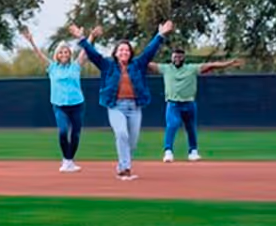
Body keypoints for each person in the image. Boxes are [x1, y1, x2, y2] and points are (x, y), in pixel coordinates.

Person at [77, 21, 173, 181]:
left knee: (132, 142)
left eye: (127, 50)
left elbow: (150, 51)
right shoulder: (107, 65)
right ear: (115, 53)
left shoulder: (138, 64)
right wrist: (82, 38)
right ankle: (125, 169)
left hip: (134, 107)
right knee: (121, 134)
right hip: (115, 106)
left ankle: (123, 165)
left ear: (130, 53)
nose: (124, 52)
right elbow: (92, 54)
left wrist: (160, 35)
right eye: (121, 50)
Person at [19, 26, 89, 172]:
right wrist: (31, 41)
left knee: (75, 133)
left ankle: (70, 161)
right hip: (59, 105)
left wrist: (90, 37)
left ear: (69, 54)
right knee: (63, 131)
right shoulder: (52, 67)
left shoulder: (75, 66)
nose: (64, 54)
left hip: (77, 104)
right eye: (61, 52)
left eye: (66, 52)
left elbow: (85, 52)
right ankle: (66, 160)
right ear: (57, 55)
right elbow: (39, 55)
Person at [160, 48, 239, 162]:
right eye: (175, 57)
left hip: (189, 103)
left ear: (183, 58)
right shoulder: (166, 68)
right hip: (173, 104)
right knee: (172, 125)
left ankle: (193, 151)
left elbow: (211, 65)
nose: (177, 59)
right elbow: (147, 63)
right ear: (171, 58)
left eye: (179, 57)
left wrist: (228, 63)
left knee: (191, 128)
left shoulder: (191, 68)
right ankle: (168, 151)